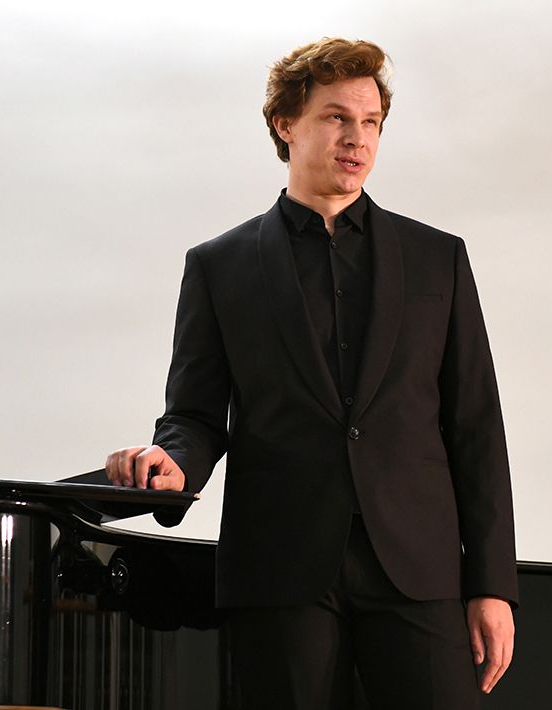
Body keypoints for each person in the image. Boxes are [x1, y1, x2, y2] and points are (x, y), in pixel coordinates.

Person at [106, 37, 517, 709]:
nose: (357, 138)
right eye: (336, 117)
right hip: (279, 569)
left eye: (371, 122)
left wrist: (493, 584)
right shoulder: (218, 266)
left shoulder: (438, 258)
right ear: (285, 124)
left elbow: (475, 426)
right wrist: (174, 464)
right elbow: (195, 415)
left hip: (418, 567)